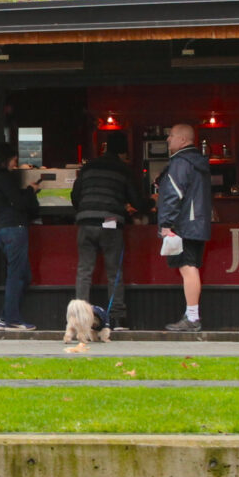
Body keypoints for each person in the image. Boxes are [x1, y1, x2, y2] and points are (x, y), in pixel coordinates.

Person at [68, 134, 146, 329]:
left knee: (84, 271)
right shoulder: (123, 170)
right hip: (110, 220)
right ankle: (116, 318)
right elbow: (137, 202)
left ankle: (79, 319)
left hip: (85, 221)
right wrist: (151, 203)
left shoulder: (88, 167)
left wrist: (86, 210)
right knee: (114, 271)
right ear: (122, 151)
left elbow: (75, 196)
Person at [154, 121, 213, 330]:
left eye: (171, 135)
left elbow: (173, 195)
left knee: (187, 268)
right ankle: (191, 314)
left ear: (182, 139)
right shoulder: (200, 163)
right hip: (199, 224)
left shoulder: (180, 163)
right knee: (192, 268)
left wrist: (166, 225)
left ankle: (193, 318)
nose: (168, 139)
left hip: (184, 225)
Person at [0, 144, 41, 332]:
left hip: (3, 230)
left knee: (23, 275)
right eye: (14, 161)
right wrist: (31, 190)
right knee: (16, 275)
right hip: (15, 229)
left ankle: (5, 317)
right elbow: (19, 202)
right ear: (7, 159)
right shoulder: (5, 179)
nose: (15, 164)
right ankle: (12, 319)